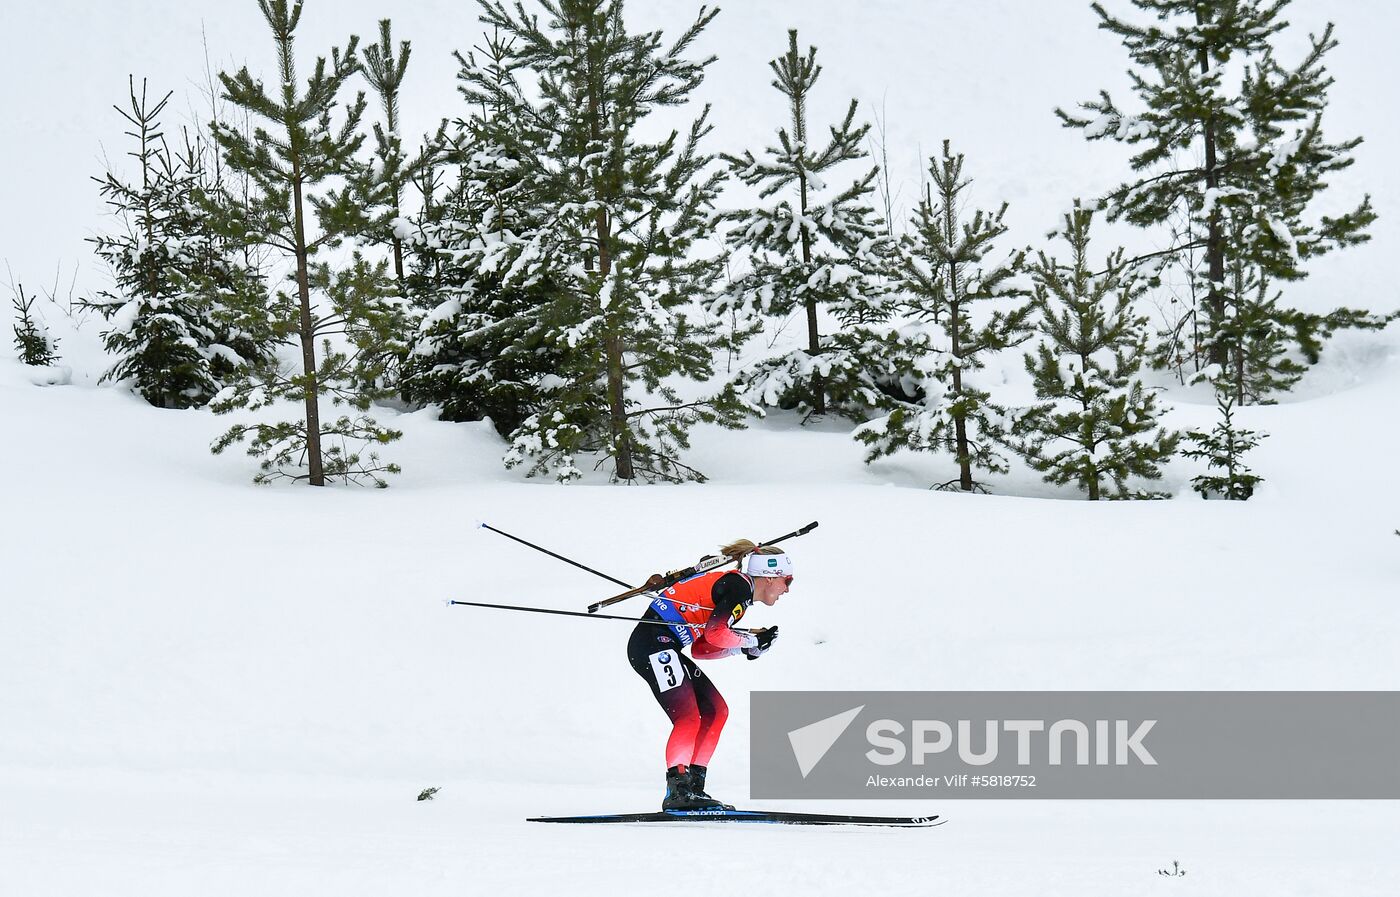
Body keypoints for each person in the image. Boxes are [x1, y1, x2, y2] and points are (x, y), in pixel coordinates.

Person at [625, 540, 792, 811]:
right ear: (770, 577)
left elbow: (703, 649)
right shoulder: (738, 586)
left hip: (665, 645)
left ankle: (693, 788)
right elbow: (716, 634)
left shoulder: (740, 597)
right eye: (787, 581)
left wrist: (744, 649)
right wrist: (748, 641)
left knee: (717, 710)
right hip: (652, 645)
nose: (787, 589)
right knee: (688, 716)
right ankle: (678, 791)